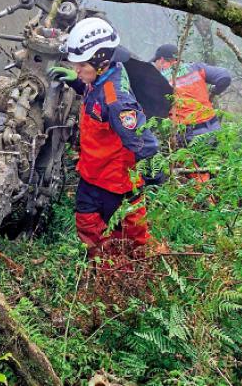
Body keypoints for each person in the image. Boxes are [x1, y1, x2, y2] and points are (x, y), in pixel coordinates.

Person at [49, 17, 159, 253]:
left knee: (121, 239)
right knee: (87, 225)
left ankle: (114, 269)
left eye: (81, 65)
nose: (77, 70)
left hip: (113, 184)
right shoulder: (102, 75)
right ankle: (98, 264)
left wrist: (152, 179)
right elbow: (96, 97)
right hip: (93, 172)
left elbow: (145, 143)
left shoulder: (117, 101)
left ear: (102, 62)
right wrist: (78, 84)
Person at [151, 44, 232, 146]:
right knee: (218, 155)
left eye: (156, 62)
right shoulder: (196, 68)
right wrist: (213, 93)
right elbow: (225, 77)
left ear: (162, 60)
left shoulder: (160, 80)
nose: (156, 66)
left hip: (189, 133)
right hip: (214, 126)